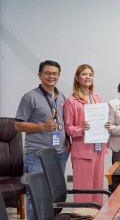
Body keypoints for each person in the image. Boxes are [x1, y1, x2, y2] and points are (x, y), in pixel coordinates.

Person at [15, 60, 69, 220]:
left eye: (54, 73)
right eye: (47, 73)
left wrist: (67, 141)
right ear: (40, 75)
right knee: (36, 195)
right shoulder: (30, 97)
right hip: (37, 155)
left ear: (59, 75)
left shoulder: (61, 96)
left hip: (59, 154)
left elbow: (62, 123)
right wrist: (42, 126)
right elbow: (18, 125)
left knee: (54, 195)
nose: (51, 76)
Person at [64, 64, 109, 204]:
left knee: (97, 188)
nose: (87, 77)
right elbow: (68, 128)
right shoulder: (72, 101)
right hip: (82, 150)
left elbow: (100, 120)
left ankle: (96, 216)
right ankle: (82, 216)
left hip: (98, 148)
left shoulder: (96, 97)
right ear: (77, 78)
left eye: (90, 74)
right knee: (84, 189)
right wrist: (81, 129)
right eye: (84, 74)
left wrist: (105, 125)